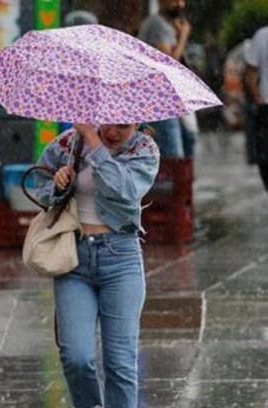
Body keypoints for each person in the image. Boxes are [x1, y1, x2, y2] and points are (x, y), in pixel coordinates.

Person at [32, 124, 160, 408]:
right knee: (75, 356)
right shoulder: (68, 143)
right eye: (109, 123)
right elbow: (40, 185)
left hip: (121, 257)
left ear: (137, 122)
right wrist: (58, 184)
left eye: (124, 126)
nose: (114, 132)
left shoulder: (143, 149)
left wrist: (93, 140)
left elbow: (124, 189)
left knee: (120, 362)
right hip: (73, 258)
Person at [138, 0, 194, 158]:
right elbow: (169, 65)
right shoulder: (157, 24)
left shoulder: (168, 25)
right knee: (173, 156)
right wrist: (183, 36)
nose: (180, 4)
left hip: (169, 101)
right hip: (159, 102)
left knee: (187, 142)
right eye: (174, 0)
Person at [244, 25, 268, 192]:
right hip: (266, 107)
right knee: (265, 161)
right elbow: (250, 71)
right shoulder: (262, 35)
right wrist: (258, 97)